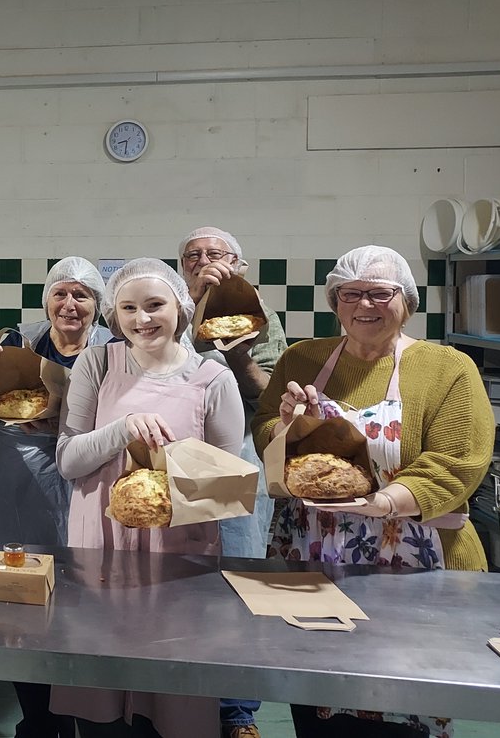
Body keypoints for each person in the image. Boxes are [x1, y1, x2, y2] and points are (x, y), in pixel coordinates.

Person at [253, 246, 493, 738]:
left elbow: (457, 462)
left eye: (380, 293)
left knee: (402, 707)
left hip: (412, 563)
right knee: (316, 699)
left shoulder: (446, 368)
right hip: (309, 557)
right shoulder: (302, 358)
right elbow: (264, 433)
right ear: (335, 302)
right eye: (351, 294)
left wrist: (382, 504)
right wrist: (286, 427)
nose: (365, 304)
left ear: (406, 300)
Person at [53, 258, 245, 738]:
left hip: (176, 558)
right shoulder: (97, 364)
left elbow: (232, 486)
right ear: (113, 315)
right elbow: (68, 461)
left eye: (155, 305)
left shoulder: (213, 380)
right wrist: (119, 431)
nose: (142, 320)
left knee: (174, 695)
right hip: (101, 548)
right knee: (100, 700)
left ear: (180, 306)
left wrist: (173, 477)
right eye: (128, 308)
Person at [0, 257, 111, 738]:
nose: (70, 305)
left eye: (82, 296)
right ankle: (39, 719)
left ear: (98, 306)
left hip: (88, 477)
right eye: (61, 294)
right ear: (46, 301)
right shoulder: (17, 342)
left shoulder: (115, 350)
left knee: (82, 593)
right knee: (22, 593)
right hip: (18, 480)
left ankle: (87, 711)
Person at [178, 227, 287, 738]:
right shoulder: (172, 306)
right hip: (178, 461)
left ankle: (236, 711)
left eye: (214, 253)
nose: (203, 261)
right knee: (183, 579)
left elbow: (270, 395)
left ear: (238, 264)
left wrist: (238, 352)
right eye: (192, 256)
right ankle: (177, 696)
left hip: (235, 459)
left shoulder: (258, 316)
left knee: (239, 579)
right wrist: (193, 308)